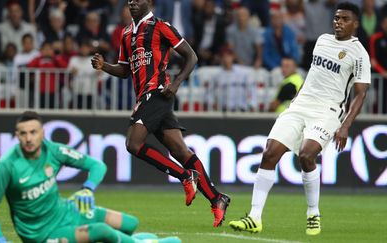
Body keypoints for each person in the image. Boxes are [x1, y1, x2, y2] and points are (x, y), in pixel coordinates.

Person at [229, 2, 371, 235]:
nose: (338, 22)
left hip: (327, 111)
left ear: (355, 24)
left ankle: (313, 213)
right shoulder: (322, 41)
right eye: (336, 18)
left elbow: (361, 93)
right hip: (300, 105)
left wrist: (345, 126)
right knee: (269, 153)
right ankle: (254, 217)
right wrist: (297, 99)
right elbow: (315, 75)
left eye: (344, 19)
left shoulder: (359, 54)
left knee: (306, 155)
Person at [91, 0, 230, 227]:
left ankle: (185, 176)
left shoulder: (160, 26)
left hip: (157, 93)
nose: (132, 3)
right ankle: (217, 198)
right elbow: (125, 69)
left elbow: (191, 56)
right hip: (146, 97)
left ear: (150, 2)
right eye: (130, 0)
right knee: (180, 151)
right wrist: (104, 66)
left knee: (133, 144)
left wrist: (175, 84)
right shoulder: (127, 33)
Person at [0, 111, 181, 243]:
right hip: (42, 235)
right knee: (102, 231)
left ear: (42, 133)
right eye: (23, 133)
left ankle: (140, 241)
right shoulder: (7, 165)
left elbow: (96, 165)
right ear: (16, 135)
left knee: (130, 223)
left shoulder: (53, 150)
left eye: (33, 132)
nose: (29, 138)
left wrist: (88, 188)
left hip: (67, 211)